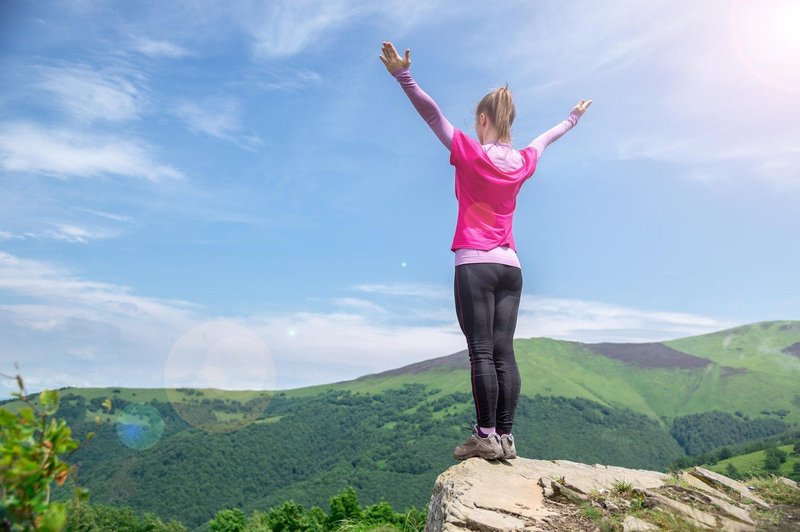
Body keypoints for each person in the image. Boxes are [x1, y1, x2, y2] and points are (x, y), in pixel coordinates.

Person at [379, 41, 591, 461]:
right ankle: (507, 438)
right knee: (503, 352)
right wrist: (573, 118)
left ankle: (485, 436)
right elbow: (547, 139)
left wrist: (403, 76)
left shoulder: (470, 152)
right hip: (511, 267)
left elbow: (431, 115)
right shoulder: (523, 161)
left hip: (474, 263)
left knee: (479, 350)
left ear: (482, 119)